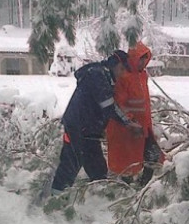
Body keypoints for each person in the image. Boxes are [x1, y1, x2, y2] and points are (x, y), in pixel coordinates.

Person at [51, 51, 143, 195]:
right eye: (122, 69)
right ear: (115, 64)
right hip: (77, 127)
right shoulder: (97, 75)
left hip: (90, 130)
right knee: (70, 165)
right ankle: (55, 200)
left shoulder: (104, 76)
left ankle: (98, 201)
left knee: (98, 168)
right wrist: (128, 123)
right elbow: (108, 105)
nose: (122, 74)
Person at [106, 42, 165, 186]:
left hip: (143, 126)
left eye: (145, 59)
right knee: (126, 160)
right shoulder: (123, 76)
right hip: (127, 128)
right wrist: (130, 121)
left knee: (152, 155)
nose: (143, 62)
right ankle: (127, 186)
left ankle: (143, 184)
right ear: (133, 58)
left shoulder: (142, 75)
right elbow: (119, 103)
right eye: (141, 59)